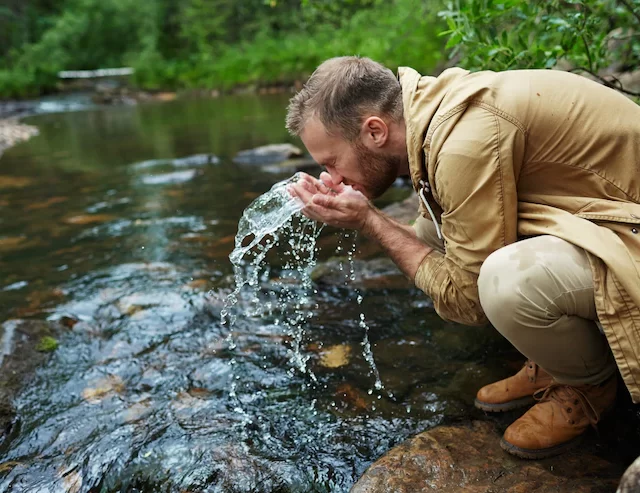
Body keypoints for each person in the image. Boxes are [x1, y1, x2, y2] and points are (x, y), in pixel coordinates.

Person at [286, 56, 640, 459]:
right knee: (431, 236)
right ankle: (556, 357)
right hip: (603, 216)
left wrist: (370, 222)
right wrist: (366, 218)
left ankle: (587, 384)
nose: (331, 178)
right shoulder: (433, 115)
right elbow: (434, 245)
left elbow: (470, 300)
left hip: (629, 228)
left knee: (505, 283)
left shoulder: (463, 144)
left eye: (331, 162)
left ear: (375, 130)